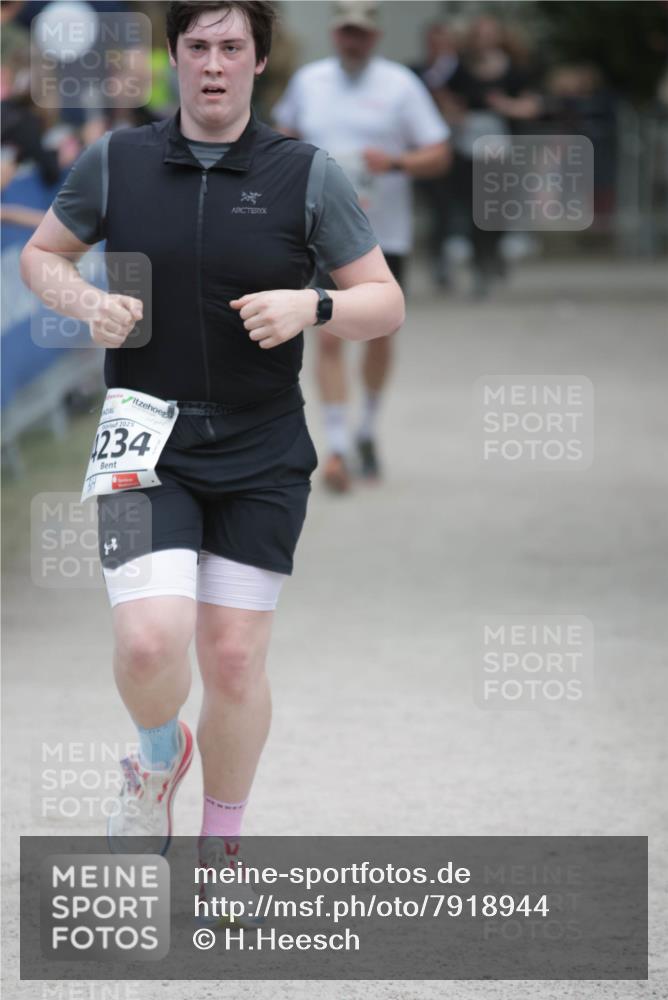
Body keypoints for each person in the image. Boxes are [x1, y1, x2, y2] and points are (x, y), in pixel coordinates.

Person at [20, 0, 404, 876]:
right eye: (199, 47)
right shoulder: (116, 161)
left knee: (232, 656)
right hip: (139, 438)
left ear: (258, 61)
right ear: (175, 58)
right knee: (150, 641)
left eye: (233, 47)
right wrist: (86, 301)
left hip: (262, 448)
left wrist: (315, 305)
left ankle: (222, 840)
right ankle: (158, 757)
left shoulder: (307, 173)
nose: (215, 65)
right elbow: (43, 256)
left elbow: (384, 301)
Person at [272, 0, 449, 490]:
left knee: (378, 334)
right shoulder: (309, 81)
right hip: (319, 234)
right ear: (334, 33)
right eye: (347, 32)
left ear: (376, 36)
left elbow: (439, 152)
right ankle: (338, 447)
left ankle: (367, 426)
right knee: (328, 331)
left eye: (363, 33)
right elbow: (281, 135)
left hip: (382, 235)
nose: (354, 40)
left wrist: (395, 164)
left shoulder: (401, 86)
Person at [436, 16, 541, 298]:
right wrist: (456, 115)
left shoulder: (515, 70)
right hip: (468, 150)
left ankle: (494, 255)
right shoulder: (459, 68)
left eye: (489, 34)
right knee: (473, 210)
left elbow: (531, 106)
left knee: (497, 210)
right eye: (479, 35)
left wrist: (504, 105)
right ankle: (480, 264)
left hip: (502, 149)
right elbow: (443, 96)